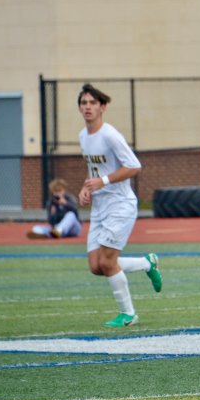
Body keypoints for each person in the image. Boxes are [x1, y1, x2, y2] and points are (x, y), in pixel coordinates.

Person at [76, 83, 163, 328]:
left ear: (102, 107)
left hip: (120, 205)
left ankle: (129, 314)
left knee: (106, 262)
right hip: (100, 208)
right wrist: (87, 188)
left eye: (93, 103)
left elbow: (134, 166)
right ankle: (147, 263)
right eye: (84, 103)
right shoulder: (83, 137)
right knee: (96, 266)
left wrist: (102, 181)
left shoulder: (110, 135)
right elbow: (94, 171)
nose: (88, 107)